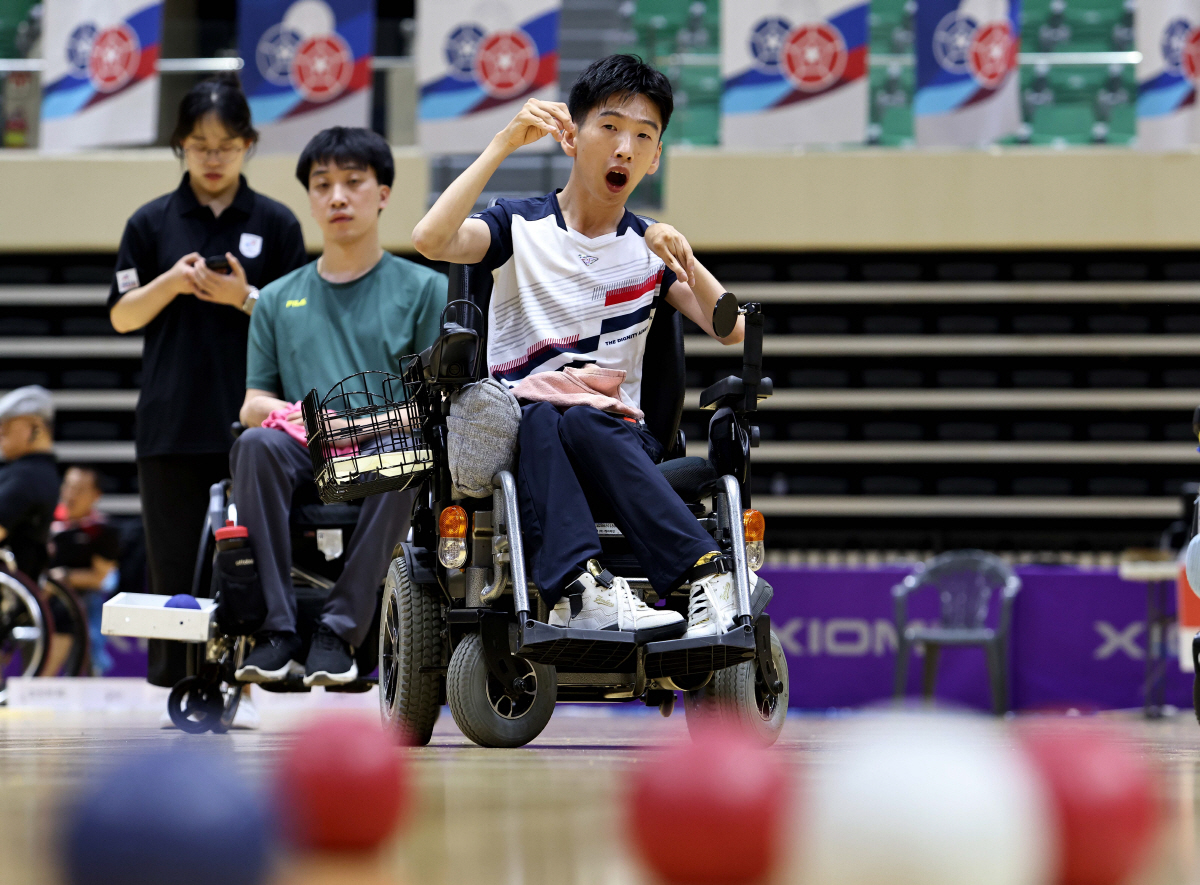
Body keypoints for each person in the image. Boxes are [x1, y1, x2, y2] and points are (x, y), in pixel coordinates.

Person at [411, 55, 745, 639]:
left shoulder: (650, 248)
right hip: (530, 453)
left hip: (616, 447)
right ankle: (638, 581)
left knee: (578, 423)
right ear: (572, 136)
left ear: (656, 156)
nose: (625, 149)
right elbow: (430, 237)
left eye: (644, 137)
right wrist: (503, 143)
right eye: (610, 128)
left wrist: (685, 260)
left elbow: (732, 328)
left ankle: (648, 580)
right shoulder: (517, 227)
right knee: (542, 418)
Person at [107, 74, 307, 687]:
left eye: (225, 143)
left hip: (253, 422)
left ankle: (244, 673)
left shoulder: (275, 224)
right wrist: (169, 281)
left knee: (246, 559)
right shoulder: (150, 223)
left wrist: (241, 296)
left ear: (248, 144)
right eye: (198, 143)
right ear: (180, 146)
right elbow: (121, 316)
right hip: (169, 423)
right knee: (172, 565)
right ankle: (181, 684)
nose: (212, 157)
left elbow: (299, 321)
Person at [233, 127, 448, 686]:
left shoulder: (425, 289)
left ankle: (339, 629)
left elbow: (435, 403)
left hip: (383, 447)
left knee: (410, 450)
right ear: (309, 197)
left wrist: (356, 424)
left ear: (383, 193)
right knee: (254, 443)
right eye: (323, 185)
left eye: (354, 183)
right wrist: (301, 420)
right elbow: (254, 402)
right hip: (305, 450)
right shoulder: (277, 298)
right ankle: (278, 630)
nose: (337, 197)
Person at [45, 467, 120, 676]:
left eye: (79, 489)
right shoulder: (45, 522)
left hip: (78, 599)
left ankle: (92, 669)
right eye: (68, 486)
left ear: (96, 495)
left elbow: (99, 578)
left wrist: (63, 578)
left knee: (78, 610)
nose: (71, 494)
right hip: (41, 597)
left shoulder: (101, 530)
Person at [0, 385, 60, 581]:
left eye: (8, 426)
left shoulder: (27, 476)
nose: (1, 432)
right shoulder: (41, 472)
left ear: (36, 428)